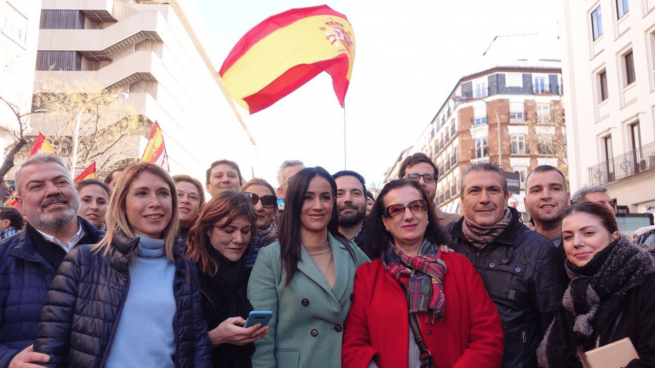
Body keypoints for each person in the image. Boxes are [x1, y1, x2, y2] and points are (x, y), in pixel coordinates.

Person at [33, 162, 211, 368]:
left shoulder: (186, 269)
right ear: (122, 204)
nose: (155, 202)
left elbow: (196, 342)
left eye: (163, 193)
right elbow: (51, 348)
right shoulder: (83, 260)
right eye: (142, 193)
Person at [342, 179, 504, 368]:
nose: (409, 215)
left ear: (427, 215)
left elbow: (488, 337)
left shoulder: (460, 267)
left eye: (417, 206)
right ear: (385, 222)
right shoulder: (367, 276)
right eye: (396, 210)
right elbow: (354, 344)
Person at [444, 161, 567, 368]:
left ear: (506, 197)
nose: (484, 199)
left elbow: (555, 333)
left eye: (493, 190)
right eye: (475, 191)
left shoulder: (539, 251)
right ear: (462, 201)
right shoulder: (445, 239)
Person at [247, 167, 369, 368]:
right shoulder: (270, 257)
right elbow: (261, 337)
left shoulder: (351, 252)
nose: (318, 206)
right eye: (308, 197)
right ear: (294, 202)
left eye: (326, 197)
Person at [0, 153, 104, 368]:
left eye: (61, 182)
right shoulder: (3, 258)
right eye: (36, 186)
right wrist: (8, 360)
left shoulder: (119, 252)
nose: (53, 191)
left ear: (74, 190)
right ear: (19, 203)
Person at [537, 202, 655, 368]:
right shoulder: (572, 294)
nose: (576, 242)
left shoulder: (646, 283)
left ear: (614, 236)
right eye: (568, 236)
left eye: (588, 233)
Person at [186, 191, 268, 368]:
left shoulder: (257, 268)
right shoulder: (185, 273)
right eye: (228, 230)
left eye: (246, 231)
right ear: (208, 229)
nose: (239, 239)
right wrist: (216, 337)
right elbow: (174, 345)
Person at [399, 153, 461, 228]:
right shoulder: (393, 225)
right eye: (413, 178)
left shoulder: (456, 224)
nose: (421, 182)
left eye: (428, 178)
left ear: (436, 184)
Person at [524, 165, 570, 247]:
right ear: (525, 203)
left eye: (555, 189)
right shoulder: (514, 248)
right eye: (536, 190)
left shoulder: (591, 246)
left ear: (568, 199)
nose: (546, 196)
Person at [242, 178, 278, 267]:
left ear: (275, 209)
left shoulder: (289, 241)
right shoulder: (227, 240)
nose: (259, 208)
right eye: (251, 199)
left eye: (268, 201)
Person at [333, 170, 367, 246]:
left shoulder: (385, 241)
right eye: (339, 194)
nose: (347, 199)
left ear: (366, 200)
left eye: (356, 193)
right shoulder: (315, 241)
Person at [174, 175, 205, 242]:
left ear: (200, 207)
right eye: (178, 194)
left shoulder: (207, 240)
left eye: (192, 197)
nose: (185, 200)